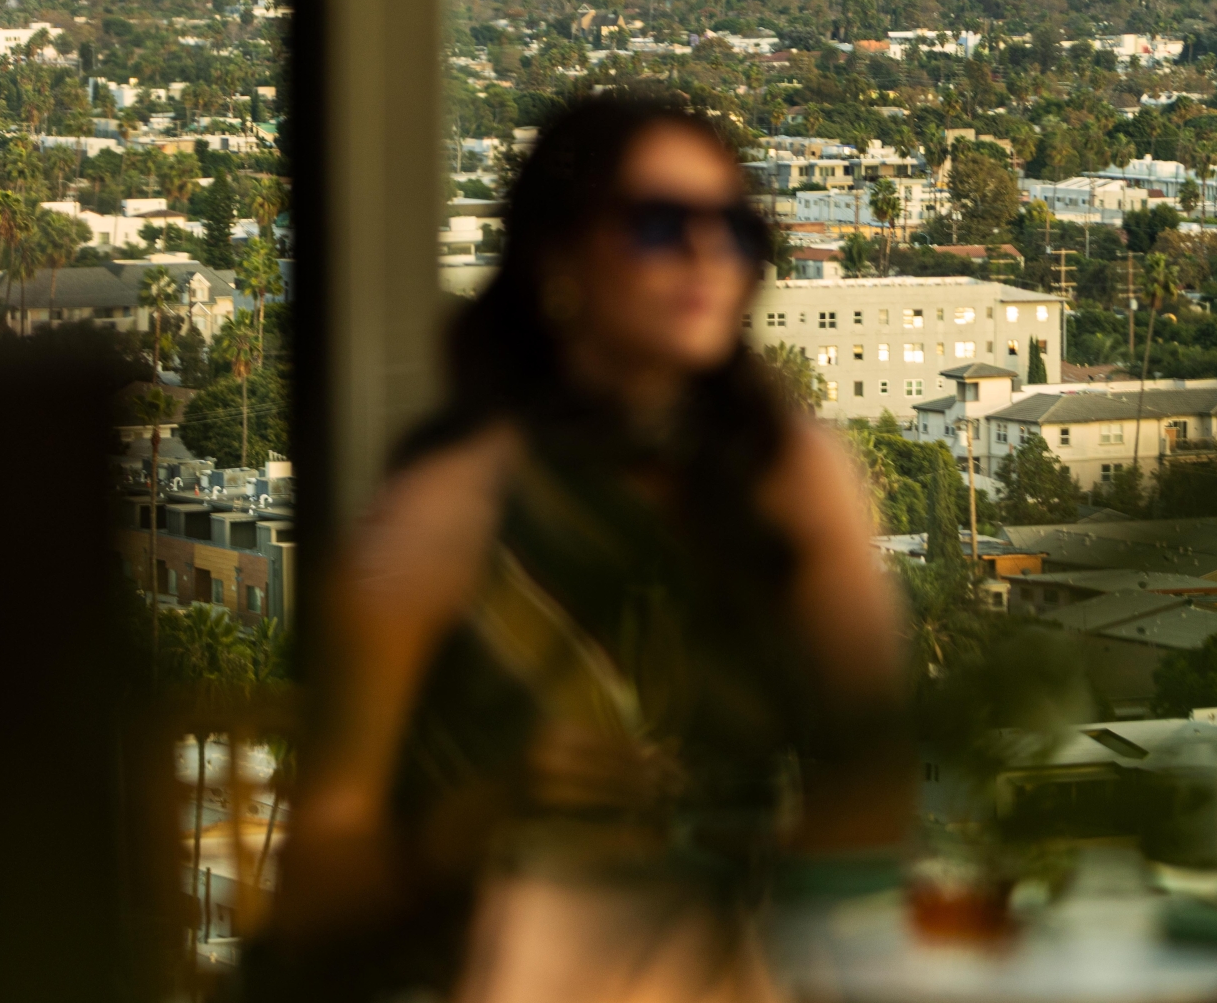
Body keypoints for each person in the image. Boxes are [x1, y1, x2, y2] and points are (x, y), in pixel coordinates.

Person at [273, 92, 910, 1002]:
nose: (704, 254)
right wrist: (484, 817)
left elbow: (873, 768)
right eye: (659, 224)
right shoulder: (450, 507)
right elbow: (318, 878)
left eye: (733, 228)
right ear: (558, 255)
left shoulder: (788, 474)